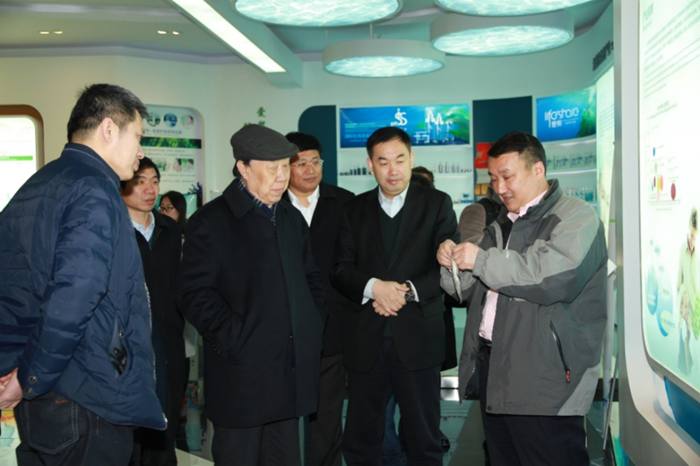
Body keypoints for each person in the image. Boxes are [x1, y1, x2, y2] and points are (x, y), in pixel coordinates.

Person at [0, 83, 165, 464]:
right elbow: (73, 297)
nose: (141, 152)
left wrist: (16, 369)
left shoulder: (38, 184)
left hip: (45, 395)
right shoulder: (94, 189)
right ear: (108, 129)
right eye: (138, 136)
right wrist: (28, 377)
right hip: (85, 395)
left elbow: (12, 290)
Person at [438, 131, 608, 466]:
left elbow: (553, 277)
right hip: (495, 367)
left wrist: (481, 260)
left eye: (507, 176)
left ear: (537, 170)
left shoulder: (576, 217)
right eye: (493, 178)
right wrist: (451, 262)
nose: (499, 187)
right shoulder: (502, 223)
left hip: (545, 375)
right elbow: (466, 290)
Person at [177, 124, 327, 466]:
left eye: (285, 167)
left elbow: (312, 280)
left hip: (288, 374)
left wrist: (312, 324)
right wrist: (238, 339)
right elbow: (193, 294)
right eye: (272, 168)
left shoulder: (289, 217)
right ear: (243, 168)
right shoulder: (211, 222)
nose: (282, 177)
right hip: (241, 378)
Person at [332, 126, 459, 466]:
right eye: (383, 161)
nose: (393, 170)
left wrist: (407, 292)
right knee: (361, 439)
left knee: (424, 439)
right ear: (370, 165)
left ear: (412, 158)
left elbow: (447, 265)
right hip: (366, 342)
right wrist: (375, 287)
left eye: (400, 160)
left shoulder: (437, 204)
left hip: (419, 340)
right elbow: (340, 269)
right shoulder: (352, 209)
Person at [283, 131, 354, 466]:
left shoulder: (346, 204)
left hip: (332, 328)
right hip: (282, 330)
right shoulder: (271, 204)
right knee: (280, 416)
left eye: (315, 162)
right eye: (301, 164)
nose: (309, 170)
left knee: (327, 415)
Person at [121, 157, 186, 465]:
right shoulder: (113, 229)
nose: (150, 189)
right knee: (130, 440)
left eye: (155, 181)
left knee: (164, 434)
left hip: (168, 344)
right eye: (140, 182)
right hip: (127, 347)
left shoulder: (170, 232)